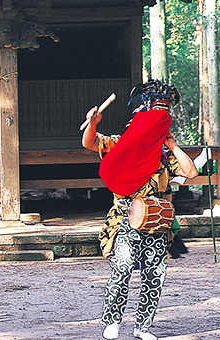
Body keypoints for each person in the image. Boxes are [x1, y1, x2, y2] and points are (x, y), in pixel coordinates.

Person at [82, 80, 198, 340]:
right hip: (124, 218)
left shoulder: (165, 157)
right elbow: (89, 143)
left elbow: (191, 172)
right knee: (122, 268)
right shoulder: (122, 144)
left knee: (154, 274)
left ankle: (142, 327)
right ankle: (112, 321)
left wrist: (172, 145)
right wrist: (93, 123)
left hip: (156, 223)